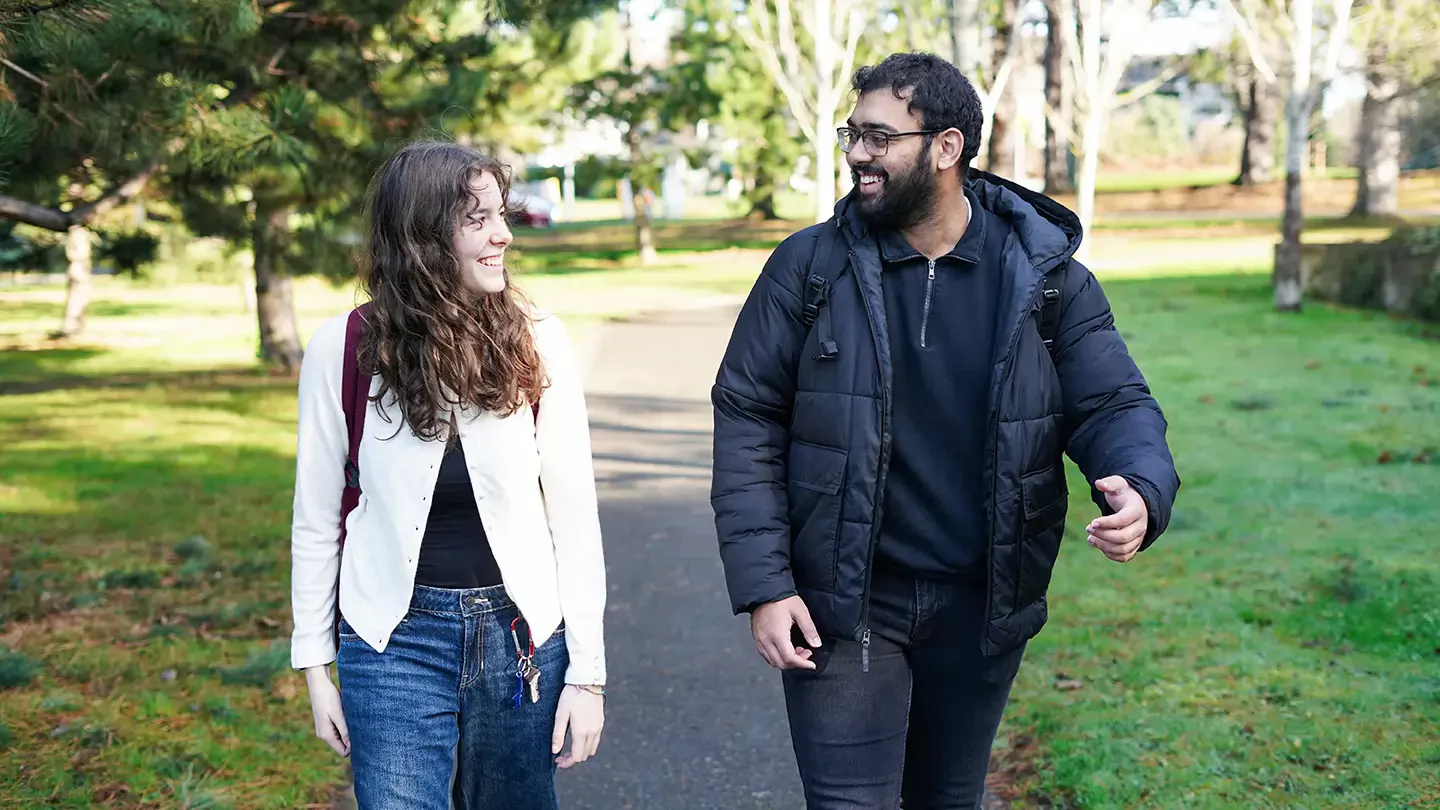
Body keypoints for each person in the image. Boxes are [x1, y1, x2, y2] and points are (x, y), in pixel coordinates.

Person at [710, 52, 1180, 809]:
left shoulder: (1045, 278)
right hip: (845, 602)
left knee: (948, 798)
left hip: (982, 603)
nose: (858, 153)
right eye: (851, 134)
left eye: (878, 136)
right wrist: (766, 584)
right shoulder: (809, 268)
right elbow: (748, 414)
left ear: (947, 147)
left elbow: (1114, 402)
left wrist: (1143, 490)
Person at [290, 140, 607, 809]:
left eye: (501, 214)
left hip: (520, 637)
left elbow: (574, 519)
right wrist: (316, 668)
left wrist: (588, 677)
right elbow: (317, 519)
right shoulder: (342, 349)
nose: (502, 235)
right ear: (423, 238)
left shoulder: (537, 338)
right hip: (392, 640)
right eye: (478, 219)